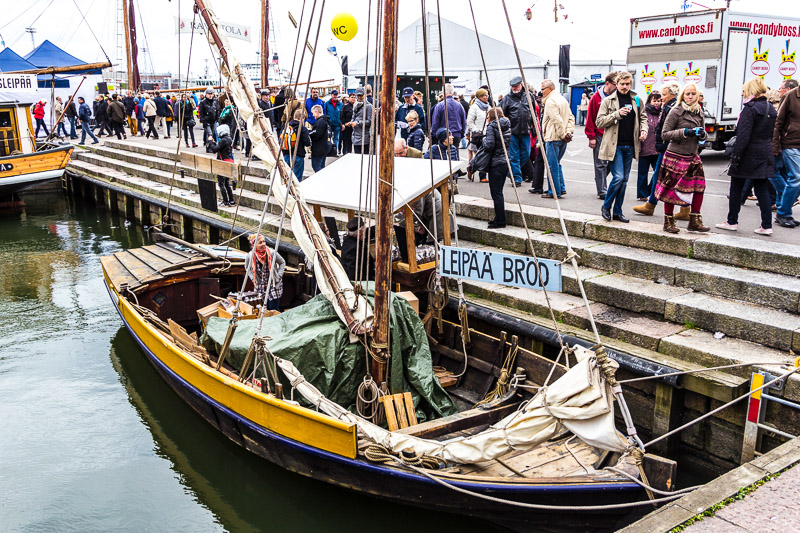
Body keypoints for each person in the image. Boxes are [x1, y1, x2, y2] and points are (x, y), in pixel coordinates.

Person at [716, 77, 777, 235]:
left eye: (744, 90)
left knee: (736, 188)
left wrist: (735, 157)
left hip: (748, 154)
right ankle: (766, 225)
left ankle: (731, 221)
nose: (742, 93)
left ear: (752, 91)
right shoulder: (770, 108)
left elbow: (743, 136)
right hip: (764, 151)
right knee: (762, 190)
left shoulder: (749, 109)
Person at [653, 83, 708, 233]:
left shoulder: (699, 112)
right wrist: (685, 132)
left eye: (693, 94)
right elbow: (665, 134)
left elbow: (703, 133)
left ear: (697, 96)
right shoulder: (676, 111)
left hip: (692, 156)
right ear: (682, 95)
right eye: (687, 94)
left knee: (699, 187)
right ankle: (668, 221)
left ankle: (694, 220)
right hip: (675, 155)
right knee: (669, 189)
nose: (690, 96)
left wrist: (703, 135)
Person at [595, 71, 647, 222]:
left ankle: (617, 211)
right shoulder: (608, 101)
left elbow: (643, 117)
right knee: (618, 177)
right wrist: (617, 114)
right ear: (616, 84)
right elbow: (599, 122)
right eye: (622, 84)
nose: (624, 87)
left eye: (627, 84)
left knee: (624, 181)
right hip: (614, 145)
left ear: (631, 84)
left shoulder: (636, 99)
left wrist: (644, 129)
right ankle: (606, 206)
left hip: (630, 145)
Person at [633, 82, 683, 217]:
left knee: (666, 177)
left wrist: (663, 139)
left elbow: (666, 130)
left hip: (666, 147)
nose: (661, 98)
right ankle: (652, 202)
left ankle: (654, 204)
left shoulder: (671, 108)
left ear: (672, 94)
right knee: (663, 176)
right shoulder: (667, 107)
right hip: (658, 147)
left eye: (664, 95)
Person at [585, 72, 618, 199]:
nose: (617, 87)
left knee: (610, 162)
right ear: (607, 83)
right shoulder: (596, 98)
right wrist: (591, 136)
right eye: (615, 84)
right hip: (600, 135)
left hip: (613, 135)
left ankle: (600, 177)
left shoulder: (617, 97)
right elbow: (590, 118)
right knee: (600, 163)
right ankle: (602, 190)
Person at [541, 79, 575, 198]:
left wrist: (562, 134)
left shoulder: (550, 101)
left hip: (553, 137)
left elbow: (556, 120)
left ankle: (554, 191)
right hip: (562, 137)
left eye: (543, 89)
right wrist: (568, 132)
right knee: (557, 163)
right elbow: (571, 117)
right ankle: (561, 187)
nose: (541, 92)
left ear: (550, 89)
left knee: (552, 165)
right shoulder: (562, 99)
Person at [773, 78, 800, 228]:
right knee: (796, 177)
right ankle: (783, 212)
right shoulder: (791, 96)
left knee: (793, 179)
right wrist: (775, 145)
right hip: (790, 143)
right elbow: (778, 122)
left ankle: (784, 210)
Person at [481, 107, 512, 228]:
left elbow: (489, 146)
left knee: (496, 193)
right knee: (499, 191)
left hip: (496, 162)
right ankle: (498, 218)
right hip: (505, 161)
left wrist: (483, 139)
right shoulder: (507, 126)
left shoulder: (492, 127)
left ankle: (500, 220)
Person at [501, 76, 535, 187]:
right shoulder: (506, 99)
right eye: (513, 86)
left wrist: (534, 128)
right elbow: (502, 116)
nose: (514, 88)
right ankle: (516, 178)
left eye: (516, 86)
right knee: (514, 156)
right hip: (512, 132)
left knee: (526, 154)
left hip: (525, 131)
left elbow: (533, 114)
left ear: (521, 85)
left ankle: (510, 171)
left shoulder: (529, 97)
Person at [246, 233, 285, 311]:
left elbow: (282, 262)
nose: (263, 244)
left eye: (264, 241)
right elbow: (247, 268)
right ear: (254, 245)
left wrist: (279, 276)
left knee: (273, 309)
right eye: (260, 243)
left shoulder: (272, 253)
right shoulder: (250, 256)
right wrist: (253, 279)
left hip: (273, 286)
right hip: (260, 287)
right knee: (262, 309)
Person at [637, 91, 662, 200]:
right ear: (649, 101)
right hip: (645, 147)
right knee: (643, 173)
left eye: (659, 101)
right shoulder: (644, 112)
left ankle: (649, 190)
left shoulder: (663, 113)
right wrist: (638, 146)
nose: (656, 103)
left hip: (657, 148)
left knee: (659, 172)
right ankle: (642, 194)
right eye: (654, 101)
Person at [431, 83, 466, 159]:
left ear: (442, 93)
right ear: (453, 93)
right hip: (457, 134)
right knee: (455, 155)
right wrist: (462, 134)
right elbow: (463, 121)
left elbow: (435, 122)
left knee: (443, 156)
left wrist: (433, 135)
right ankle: (456, 170)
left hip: (444, 136)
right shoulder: (459, 106)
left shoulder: (440, 105)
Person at [206, 124, 235, 207]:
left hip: (222, 163)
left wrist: (210, 142)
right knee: (226, 183)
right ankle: (231, 200)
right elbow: (220, 148)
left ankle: (225, 201)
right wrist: (215, 143)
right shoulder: (229, 139)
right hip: (229, 161)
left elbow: (215, 150)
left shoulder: (223, 141)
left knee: (221, 183)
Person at [466, 88, 490, 182]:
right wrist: (477, 130)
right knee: (481, 154)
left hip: (488, 134)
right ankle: (480, 174)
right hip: (478, 135)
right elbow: (470, 122)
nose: (486, 97)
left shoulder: (488, 107)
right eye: (484, 95)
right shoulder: (474, 107)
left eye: (487, 95)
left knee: (485, 154)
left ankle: (473, 169)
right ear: (479, 97)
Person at [281, 109, 311, 180]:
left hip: (286, 154)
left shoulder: (287, 127)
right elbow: (307, 143)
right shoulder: (302, 129)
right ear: (302, 118)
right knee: (296, 178)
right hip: (298, 155)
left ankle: (287, 190)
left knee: (287, 177)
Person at [347, 87, 372, 154]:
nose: (359, 97)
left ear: (364, 95)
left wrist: (357, 123)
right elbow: (353, 117)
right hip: (355, 137)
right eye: (358, 95)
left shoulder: (368, 106)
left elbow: (369, 121)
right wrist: (351, 122)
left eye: (361, 95)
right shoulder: (355, 105)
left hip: (364, 137)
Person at [309, 105, 329, 172]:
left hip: (318, 149)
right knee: (321, 166)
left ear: (317, 112)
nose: (313, 115)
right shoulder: (325, 120)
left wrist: (309, 133)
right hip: (323, 148)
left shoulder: (320, 122)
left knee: (316, 167)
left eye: (313, 113)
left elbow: (317, 134)